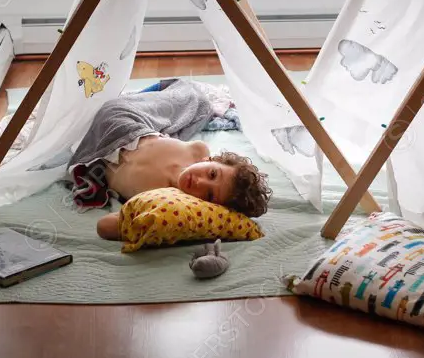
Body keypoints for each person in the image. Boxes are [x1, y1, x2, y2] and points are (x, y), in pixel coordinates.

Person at [65, 79, 272, 240]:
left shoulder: (166, 200)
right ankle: (157, 93)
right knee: (196, 101)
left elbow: (105, 226)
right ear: (212, 160)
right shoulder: (199, 151)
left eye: (208, 195)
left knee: (109, 109)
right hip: (132, 123)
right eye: (212, 173)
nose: (200, 181)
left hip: (101, 154)